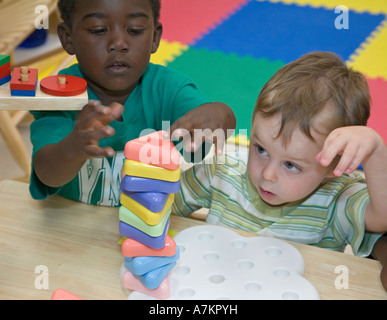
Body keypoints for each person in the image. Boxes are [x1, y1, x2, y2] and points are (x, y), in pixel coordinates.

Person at [173, 52, 387, 276]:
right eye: (261, 149)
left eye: (291, 165)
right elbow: (161, 206)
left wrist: (376, 152)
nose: (267, 174)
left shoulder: (337, 201)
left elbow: (382, 218)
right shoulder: (221, 172)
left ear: (336, 166)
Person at [29, 0, 236, 206]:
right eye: (98, 30)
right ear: (68, 38)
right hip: (72, 228)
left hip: (145, 229)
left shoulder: (168, 88)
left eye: (135, 30)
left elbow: (215, 121)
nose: (119, 43)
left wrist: (220, 113)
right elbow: (47, 174)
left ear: (155, 37)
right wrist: (74, 147)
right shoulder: (59, 95)